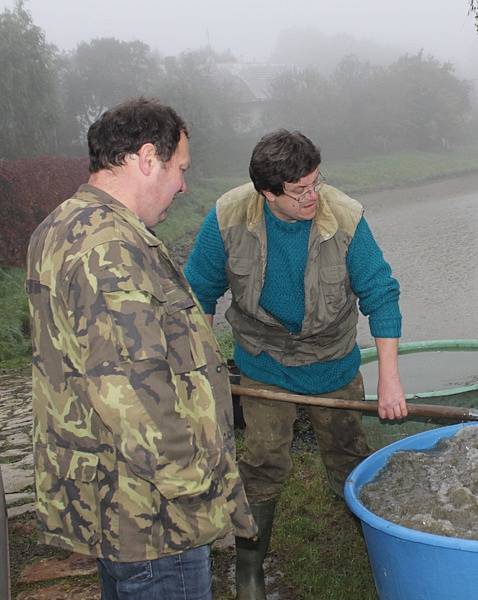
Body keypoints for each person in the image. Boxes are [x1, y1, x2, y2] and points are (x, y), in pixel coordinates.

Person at [26, 98, 256, 600]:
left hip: (112, 499)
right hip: (154, 512)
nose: (183, 185)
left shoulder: (63, 224)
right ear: (147, 158)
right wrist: (199, 487)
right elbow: (131, 392)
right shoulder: (109, 248)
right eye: (180, 169)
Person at [184, 129, 407, 599]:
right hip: (264, 363)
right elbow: (197, 292)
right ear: (267, 193)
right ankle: (249, 570)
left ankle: (377, 549)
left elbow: (381, 294)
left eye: (316, 182)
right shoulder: (227, 216)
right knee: (263, 463)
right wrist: (203, 370)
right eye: (299, 190)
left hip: (332, 361)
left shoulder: (344, 218)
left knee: (349, 462)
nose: (312, 196)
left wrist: (390, 381)